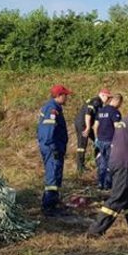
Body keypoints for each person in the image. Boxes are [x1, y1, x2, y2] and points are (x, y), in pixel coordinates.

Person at [87, 101, 128, 237]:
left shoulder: (124, 121)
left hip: (120, 163)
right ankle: (95, 231)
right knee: (117, 198)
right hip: (125, 165)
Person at [38, 84, 73, 216]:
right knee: (52, 176)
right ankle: (49, 207)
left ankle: (53, 202)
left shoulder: (54, 108)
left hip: (54, 147)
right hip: (52, 148)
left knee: (55, 175)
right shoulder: (52, 109)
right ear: (59, 96)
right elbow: (48, 132)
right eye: (65, 95)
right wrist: (53, 148)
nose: (67, 98)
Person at [74, 88, 111, 174]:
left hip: (87, 124)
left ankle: (99, 161)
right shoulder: (96, 101)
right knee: (82, 145)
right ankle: (80, 167)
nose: (108, 100)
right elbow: (88, 114)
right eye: (108, 97)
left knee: (98, 140)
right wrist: (87, 127)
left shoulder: (100, 103)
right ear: (102, 95)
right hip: (83, 124)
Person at [93, 93, 123, 190]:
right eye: (120, 103)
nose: (120, 105)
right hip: (111, 141)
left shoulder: (101, 111)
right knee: (111, 163)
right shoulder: (115, 112)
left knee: (102, 163)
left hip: (101, 141)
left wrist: (97, 138)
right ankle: (107, 185)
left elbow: (95, 126)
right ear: (118, 101)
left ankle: (100, 183)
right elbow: (117, 127)